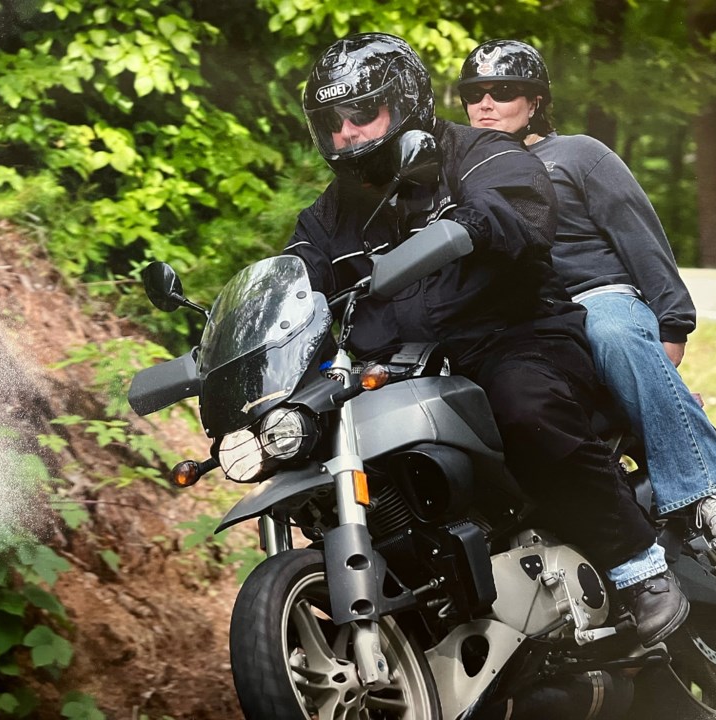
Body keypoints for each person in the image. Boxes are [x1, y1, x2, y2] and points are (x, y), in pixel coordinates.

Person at [284, 32, 688, 647]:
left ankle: (639, 567)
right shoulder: (330, 213)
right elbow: (296, 277)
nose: (345, 133)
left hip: (512, 336)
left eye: (361, 114)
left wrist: (476, 221)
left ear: (405, 101)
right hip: (403, 369)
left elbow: (518, 204)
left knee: (526, 407)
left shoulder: (475, 152)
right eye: (331, 122)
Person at [458, 39, 716, 546]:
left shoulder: (578, 154)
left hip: (595, 298)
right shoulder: (462, 176)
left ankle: (707, 491)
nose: (485, 104)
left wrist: (673, 322)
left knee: (613, 330)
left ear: (534, 103)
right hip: (522, 324)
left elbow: (640, 236)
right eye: (475, 93)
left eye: (503, 91)